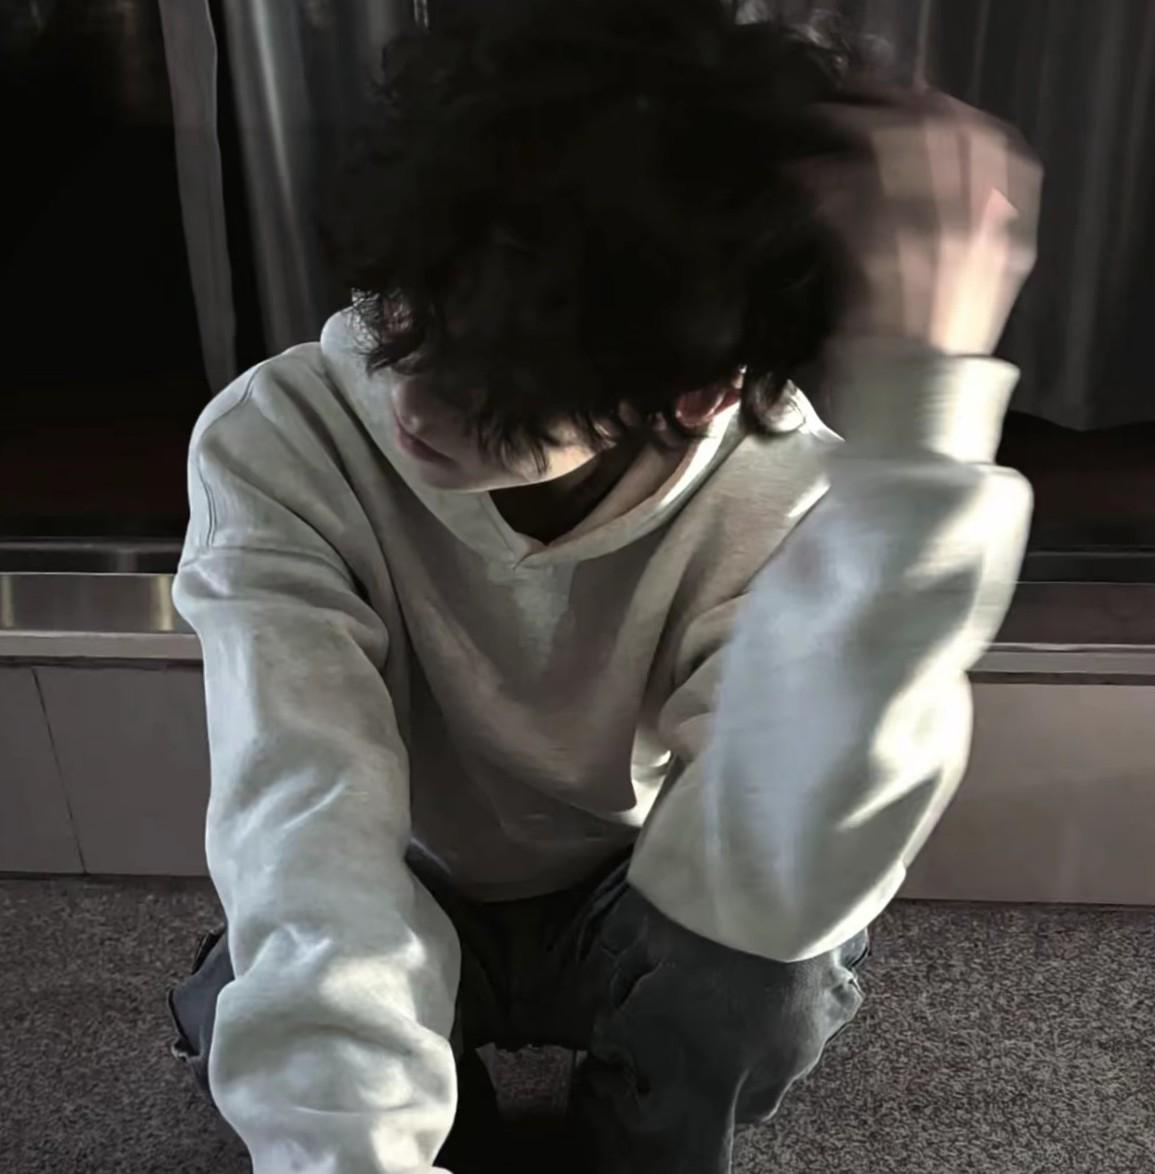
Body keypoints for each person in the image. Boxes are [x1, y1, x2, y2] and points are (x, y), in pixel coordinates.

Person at [164, 1, 1042, 1171]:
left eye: (497, 385)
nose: (412, 399)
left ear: (698, 391)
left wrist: (922, 435)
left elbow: (780, 875)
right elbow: (305, 810)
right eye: (404, 312)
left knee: (774, 976)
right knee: (264, 1001)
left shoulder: (785, 489)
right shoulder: (281, 438)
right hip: (410, 879)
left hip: (631, 893)